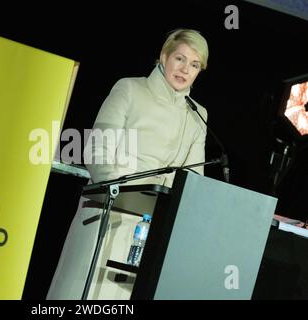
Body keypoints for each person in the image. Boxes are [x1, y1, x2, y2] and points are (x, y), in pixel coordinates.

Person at [47, 28, 209, 300]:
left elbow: (193, 178)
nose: (185, 70)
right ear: (163, 56)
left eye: (194, 65)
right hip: (106, 213)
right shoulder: (130, 88)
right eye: (180, 59)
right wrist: (121, 195)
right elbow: (99, 151)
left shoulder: (197, 115)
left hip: (150, 229)